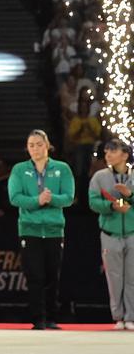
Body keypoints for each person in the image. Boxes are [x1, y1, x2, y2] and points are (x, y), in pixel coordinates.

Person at [8, 129, 75, 330]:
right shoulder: (19, 169)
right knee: (35, 276)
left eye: (39, 144)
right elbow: (15, 198)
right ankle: (37, 319)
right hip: (29, 229)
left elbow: (69, 197)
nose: (35, 149)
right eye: (31, 145)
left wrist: (51, 198)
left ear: (47, 145)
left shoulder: (62, 168)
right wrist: (38, 200)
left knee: (52, 275)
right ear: (27, 148)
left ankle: (52, 318)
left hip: (54, 229)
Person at [89, 138, 134, 330]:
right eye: (106, 151)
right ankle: (118, 317)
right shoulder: (99, 177)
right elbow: (92, 202)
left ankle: (131, 317)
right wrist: (111, 205)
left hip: (132, 232)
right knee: (114, 278)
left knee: (132, 277)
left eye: (112, 151)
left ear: (125, 155)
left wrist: (130, 195)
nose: (107, 154)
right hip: (109, 232)